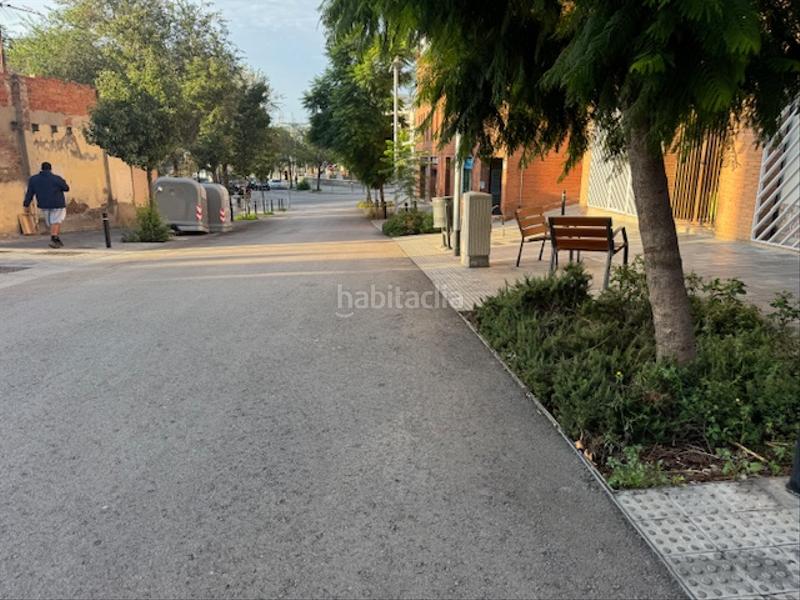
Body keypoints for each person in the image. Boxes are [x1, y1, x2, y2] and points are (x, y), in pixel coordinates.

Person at [23, 162, 70, 248]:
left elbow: (29, 193)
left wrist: (26, 204)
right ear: (50, 169)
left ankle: (55, 238)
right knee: (56, 221)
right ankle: (54, 238)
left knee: (50, 222)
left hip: (43, 204)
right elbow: (66, 188)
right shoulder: (56, 178)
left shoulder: (33, 179)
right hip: (57, 203)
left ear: (41, 168)